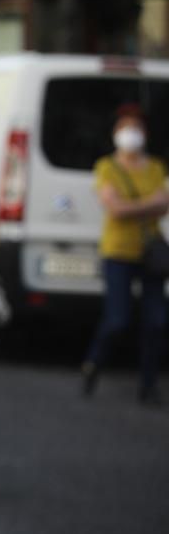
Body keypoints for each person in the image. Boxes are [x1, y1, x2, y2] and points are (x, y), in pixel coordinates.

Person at [82, 105, 169, 406]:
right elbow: (115, 209)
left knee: (156, 321)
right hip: (118, 251)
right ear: (116, 133)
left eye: (137, 127)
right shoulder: (107, 167)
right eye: (125, 127)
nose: (131, 134)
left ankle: (149, 384)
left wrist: (134, 206)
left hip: (152, 254)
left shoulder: (156, 167)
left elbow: (163, 203)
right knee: (118, 319)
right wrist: (151, 204)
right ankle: (93, 362)